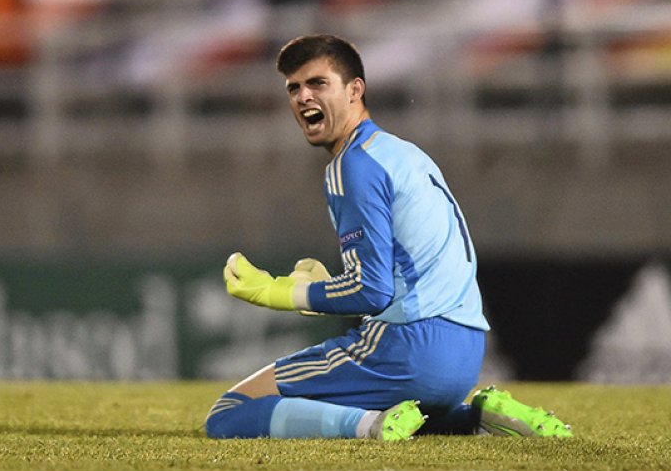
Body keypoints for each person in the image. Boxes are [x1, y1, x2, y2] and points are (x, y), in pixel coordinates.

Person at [205, 34, 572, 440]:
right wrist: (325, 286)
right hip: (466, 351)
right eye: (294, 88)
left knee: (230, 412)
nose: (303, 97)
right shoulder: (403, 152)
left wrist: (282, 293)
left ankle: (372, 425)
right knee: (342, 399)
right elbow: (397, 273)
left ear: (355, 90)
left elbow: (372, 291)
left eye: (318, 83)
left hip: (408, 349)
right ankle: (478, 418)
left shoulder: (353, 166)